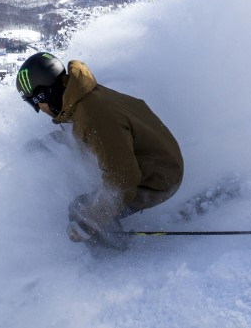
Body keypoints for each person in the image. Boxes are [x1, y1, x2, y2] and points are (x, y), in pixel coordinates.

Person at [16, 51, 184, 251]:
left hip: (159, 179)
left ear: (45, 93)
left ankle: (112, 260)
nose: (39, 109)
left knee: (79, 210)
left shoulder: (93, 115)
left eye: (35, 102)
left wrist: (89, 221)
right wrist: (48, 144)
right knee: (88, 198)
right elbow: (82, 133)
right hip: (156, 163)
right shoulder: (82, 97)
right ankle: (108, 230)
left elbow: (122, 179)